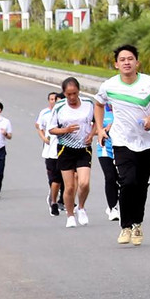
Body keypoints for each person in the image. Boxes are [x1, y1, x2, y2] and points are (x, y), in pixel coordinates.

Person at [94, 45, 150, 245]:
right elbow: (98, 104)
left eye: (130, 58)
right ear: (116, 64)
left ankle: (137, 224)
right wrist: (100, 129)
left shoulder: (149, 83)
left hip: (146, 143)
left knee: (141, 185)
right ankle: (125, 226)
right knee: (128, 182)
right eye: (122, 59)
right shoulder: (109, 85)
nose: (126, 62)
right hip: (121, 141)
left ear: (137, 62)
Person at [52, 77, 96, 229]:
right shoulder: (59, 107)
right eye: (68, 94)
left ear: (79, 91)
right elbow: (52, 129)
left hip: (84, 148)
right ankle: (70, 215)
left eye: (74, 93)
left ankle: (81, 208)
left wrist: (92, 134)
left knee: (84, 183)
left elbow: (97, 121)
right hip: (65, 149)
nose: (71, 97)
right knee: (69, 187)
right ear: (64, 93)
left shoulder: (89, 104)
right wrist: (65, 130)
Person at [36, 92, 64, 216]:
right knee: (56, 180)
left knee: (71, 179)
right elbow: (38, 126)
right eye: (53, 100)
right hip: (52, 151)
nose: (55, 102)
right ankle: (53, 202)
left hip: (68, 151)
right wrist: (44, 138)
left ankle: (64, 200)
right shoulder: (46, 113)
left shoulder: (69, 114)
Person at [97, 105, 120, 221]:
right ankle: (113, 208)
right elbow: (94, 130)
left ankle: (114, 202)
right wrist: (105, 129)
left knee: (121, 179)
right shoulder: (101, 112)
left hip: (121, 149)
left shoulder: (123, 111)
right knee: (110, 177)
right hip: (105, 149)